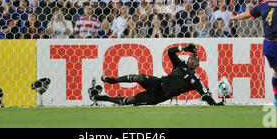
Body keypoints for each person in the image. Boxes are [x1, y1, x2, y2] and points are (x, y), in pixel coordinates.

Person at [91, 44, 224, 106]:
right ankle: (113, 80)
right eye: (190, 58)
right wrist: (183, 48)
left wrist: (215, 104)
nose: (192, 60)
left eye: (195, 60)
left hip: (159, 96)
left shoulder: (196, 81)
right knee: (140, 77)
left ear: (198, 65)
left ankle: (103, 98)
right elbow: (170, 52)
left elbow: (205, 95)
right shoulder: (180, 65)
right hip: (158, 82)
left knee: (131, 100)